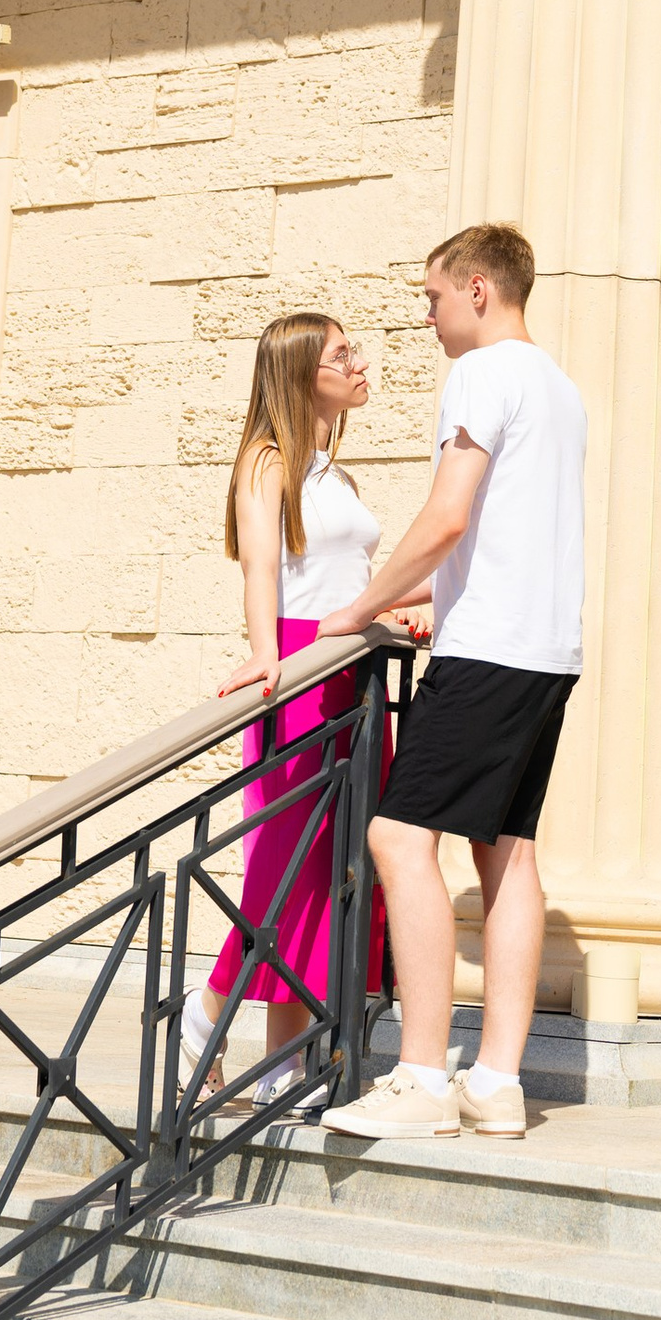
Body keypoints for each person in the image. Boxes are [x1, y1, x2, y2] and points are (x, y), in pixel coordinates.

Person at [312, 220, 585, 1142]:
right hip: (548, 651)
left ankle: (422, 1074)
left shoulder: (482, 372)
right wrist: (422, 591)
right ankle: (497, 1081)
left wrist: (352, 614)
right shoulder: (561, 389)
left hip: (488, 650)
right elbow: (494, 538)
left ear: (477, 287)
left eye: (431, 297)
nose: (426, 318)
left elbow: (444, 517)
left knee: (396, 837)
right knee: (506, 850)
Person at [190, 312, 396, 1101]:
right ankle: (201, 1025)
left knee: (329, 875)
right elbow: (260, 575)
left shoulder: (334, 475)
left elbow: (352, 580)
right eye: (343, 352)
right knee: (284, 873)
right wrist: (268, 653)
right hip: (304, 670)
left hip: (353, 666)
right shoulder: (266, 461)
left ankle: (284, 1065)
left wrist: (399, 611)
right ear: (304, 370)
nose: (361, 361)